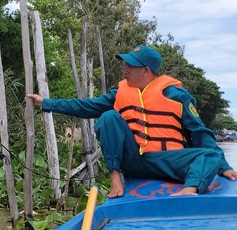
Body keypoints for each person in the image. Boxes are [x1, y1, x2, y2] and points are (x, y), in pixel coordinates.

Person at [26, 45, 237, 198]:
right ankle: (115, 176)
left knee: (210, 154)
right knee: (108, 117)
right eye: (125, 64)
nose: (125, 69)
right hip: (134, 160)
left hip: (168, 160)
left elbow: (201, 134)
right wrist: (46, 103)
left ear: (146, 71)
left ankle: (189, 190)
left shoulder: (177, 95)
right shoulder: (119, 93)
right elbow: (85, 107)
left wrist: (224, 166)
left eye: (130, 66)